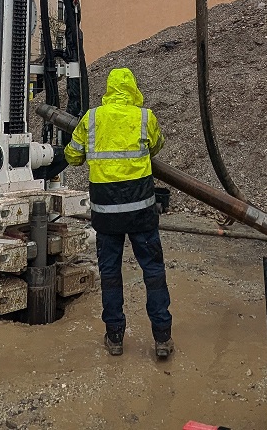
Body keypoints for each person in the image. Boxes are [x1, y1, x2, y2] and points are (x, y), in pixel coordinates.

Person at [65, 67, 173, 360]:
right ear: (133, 89)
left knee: (110, 273)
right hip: (141, 212)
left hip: (106, 214)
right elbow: (156, 146)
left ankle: (114, 337)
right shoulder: (144, 117)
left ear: (109, 89)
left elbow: (72, 156)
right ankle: (162, 338)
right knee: (153, 271)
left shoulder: (92, 119)